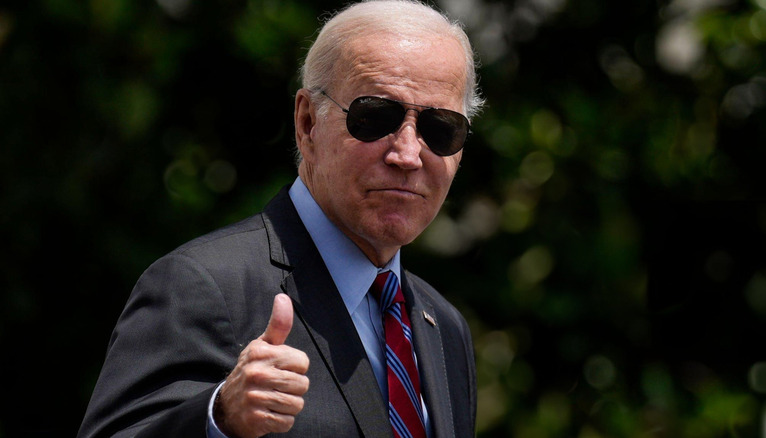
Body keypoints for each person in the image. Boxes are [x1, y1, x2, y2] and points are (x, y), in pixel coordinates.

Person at [78, 0, 484, 436]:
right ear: (308, 122)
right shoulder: (204, 286)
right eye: (375, 117)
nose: (407, 154)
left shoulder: (444, 327)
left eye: (440, 129)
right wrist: (218, 418)